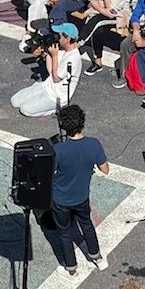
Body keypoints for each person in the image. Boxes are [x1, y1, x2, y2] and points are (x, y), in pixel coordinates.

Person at [51, 105, 110, 278]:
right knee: (86, 224)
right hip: (81, 197)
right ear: (82, 123)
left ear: (63, 126)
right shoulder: (93, 144)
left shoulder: (58, 149)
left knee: (64, 232)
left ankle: (71, 268)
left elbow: (50, 172)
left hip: (61, 199)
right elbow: (105, 169)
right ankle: (97, 257)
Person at [11, 21, 81, 117]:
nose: (58, 38)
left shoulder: (72, 59)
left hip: (56, 96)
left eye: (59, 36)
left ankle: (57, 109)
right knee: (15, 101)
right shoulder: (62, 49)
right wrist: (47, 54)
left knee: (25, 110)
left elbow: (56, 78)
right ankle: (38, 98)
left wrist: (54, 55)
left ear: (67, 38)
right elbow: (51, 72)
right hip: (46, 86)